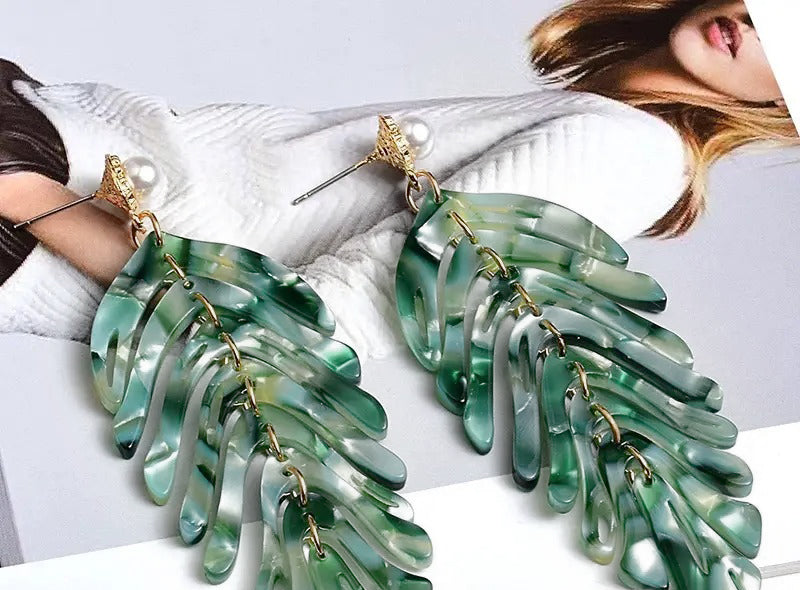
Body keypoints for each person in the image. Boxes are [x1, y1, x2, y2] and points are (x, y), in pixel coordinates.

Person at [0, 0, 795, 356]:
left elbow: (307, 332)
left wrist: (30, 198)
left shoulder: (631, 153)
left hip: (38, 204)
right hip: (49, 152)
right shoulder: (610, 121)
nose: (760, 21)